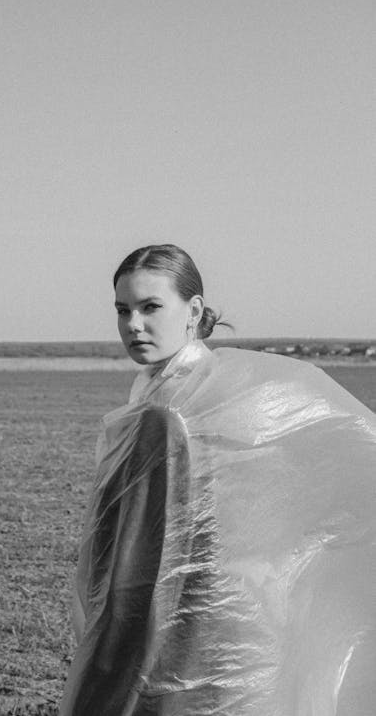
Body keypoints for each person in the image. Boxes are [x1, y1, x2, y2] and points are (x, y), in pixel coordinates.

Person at [60, 244, 376, 716]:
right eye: (122, 310)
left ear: (194, 311)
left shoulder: (168, 413)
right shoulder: (214, 388)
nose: (133, 325)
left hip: (175, 628)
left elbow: (141, 555)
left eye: (150, 307)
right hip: (234, 623)